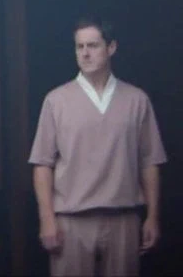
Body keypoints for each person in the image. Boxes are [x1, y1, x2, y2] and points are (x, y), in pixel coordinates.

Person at [29, 18, 166, 277]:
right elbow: (42, 164)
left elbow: (149, 162)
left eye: (92, 45)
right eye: (79, 46)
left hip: (124, 217)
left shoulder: (136, 100)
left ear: (111, 47)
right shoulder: (56, 101)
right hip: (71, 220)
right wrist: (47, 220)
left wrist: (152, 216)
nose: (85, 53)